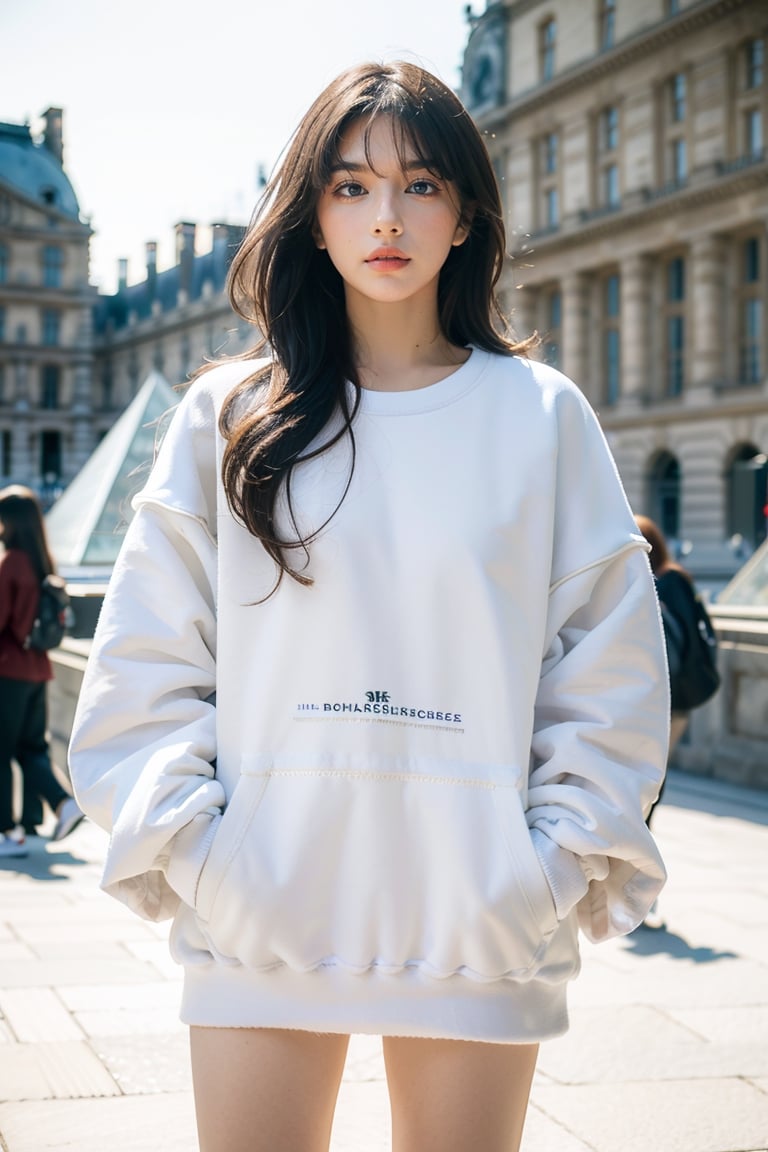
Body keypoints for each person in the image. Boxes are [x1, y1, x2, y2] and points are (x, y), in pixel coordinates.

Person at [69, 61, 669, 1152]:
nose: (385, 217)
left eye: (421, 184)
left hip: (479, 923)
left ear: (467, 213)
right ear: (311, 214)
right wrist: (208, 861)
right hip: (264, 916)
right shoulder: (228, 416)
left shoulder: (541, 418)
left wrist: (538, 875)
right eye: (349, 186)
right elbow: (146, 662)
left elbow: (607, 668)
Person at [0, 486, 85, 855]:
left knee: (2, 752)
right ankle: (58, 808)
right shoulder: (41, 561)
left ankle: (7, 833)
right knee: (31, 748)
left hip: (8, 670)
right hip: (37, 669)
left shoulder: (11, 562)